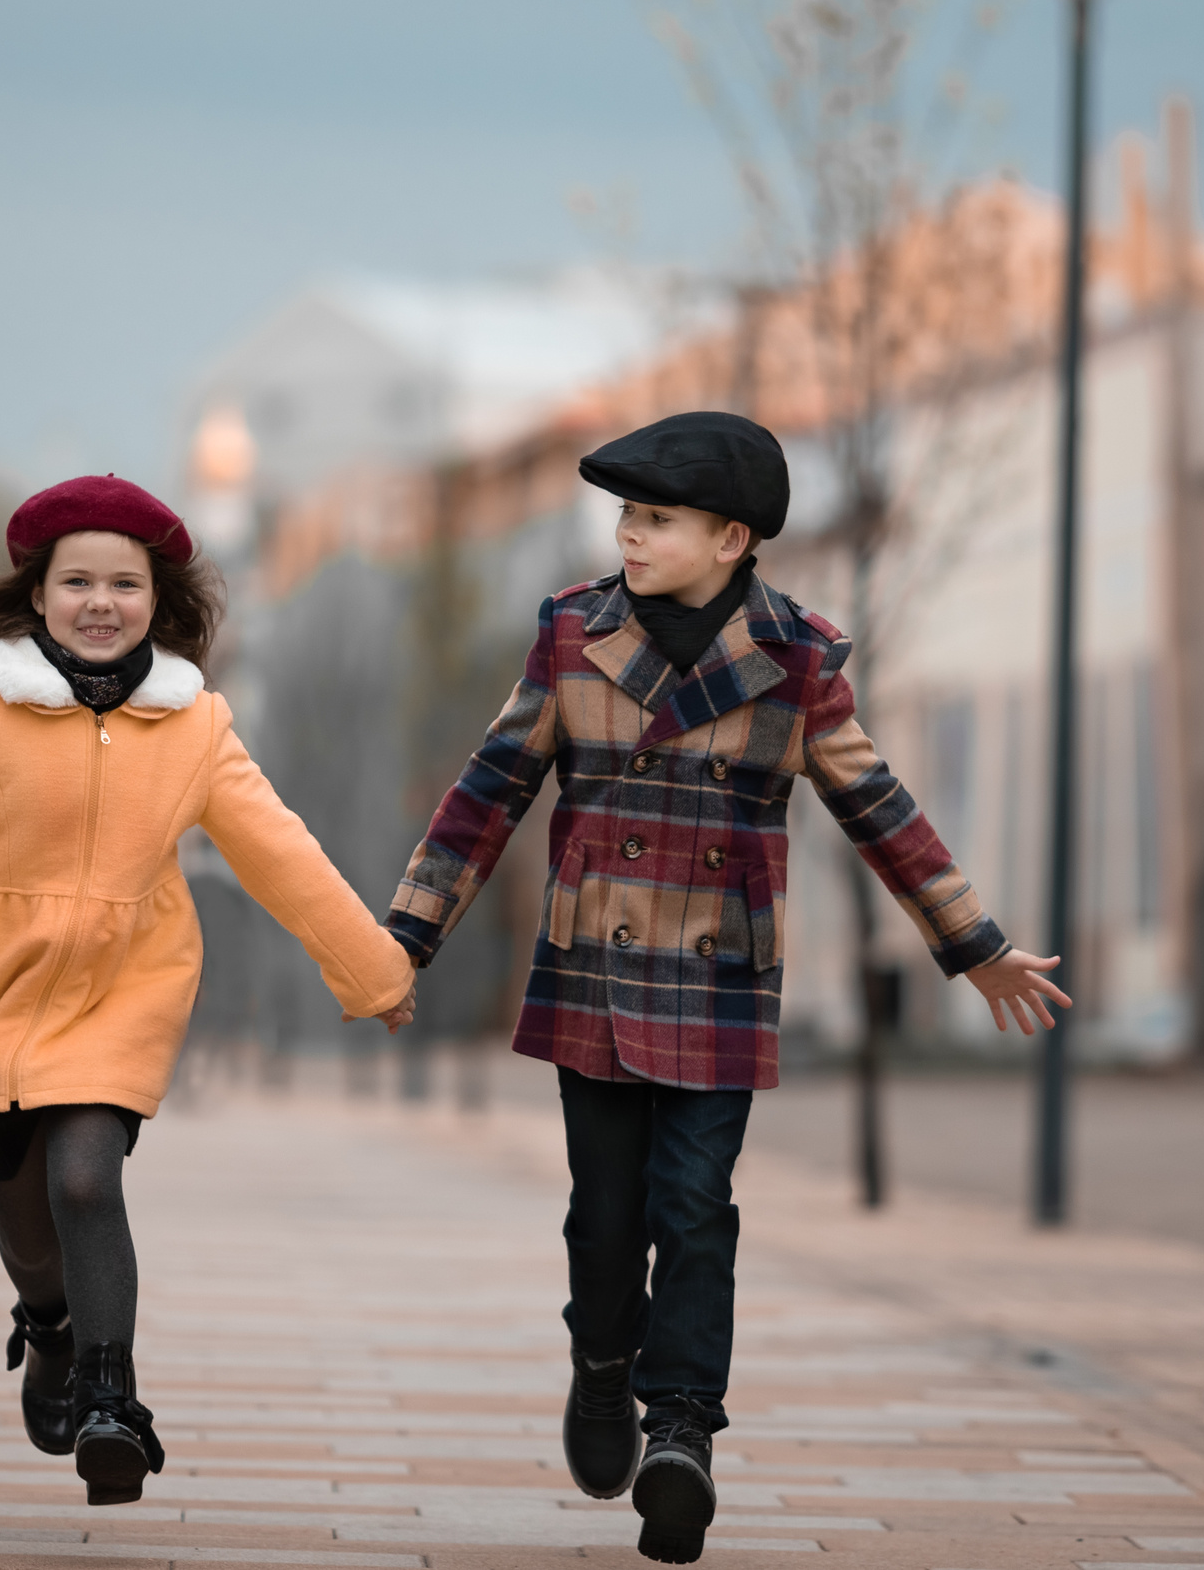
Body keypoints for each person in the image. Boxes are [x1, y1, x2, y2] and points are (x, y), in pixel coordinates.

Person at [383, 412, 1071, 1564]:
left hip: (717, 979)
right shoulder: (570, 634)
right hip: (594, 972)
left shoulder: (797, 661)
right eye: (626, 515)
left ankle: (683, 1433)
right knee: (605, 1223)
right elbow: (489, 789)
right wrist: (404, 935)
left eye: (656, 518)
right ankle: (602, 1369)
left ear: (731, 537)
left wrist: (973, 943)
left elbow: (880, 808)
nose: (630, 536)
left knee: (695, 1212)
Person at [0, 474, 416, 1507]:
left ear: (158, 601)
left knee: (84, 1179)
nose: (100, 601)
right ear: (40, 595)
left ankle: (112, 1398)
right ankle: (51, 1328)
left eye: (124, 583)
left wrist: (371, 969)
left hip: (126, 991)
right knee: (26, 1224)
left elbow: (280, 854)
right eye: (77, 582)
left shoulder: (194, 728)